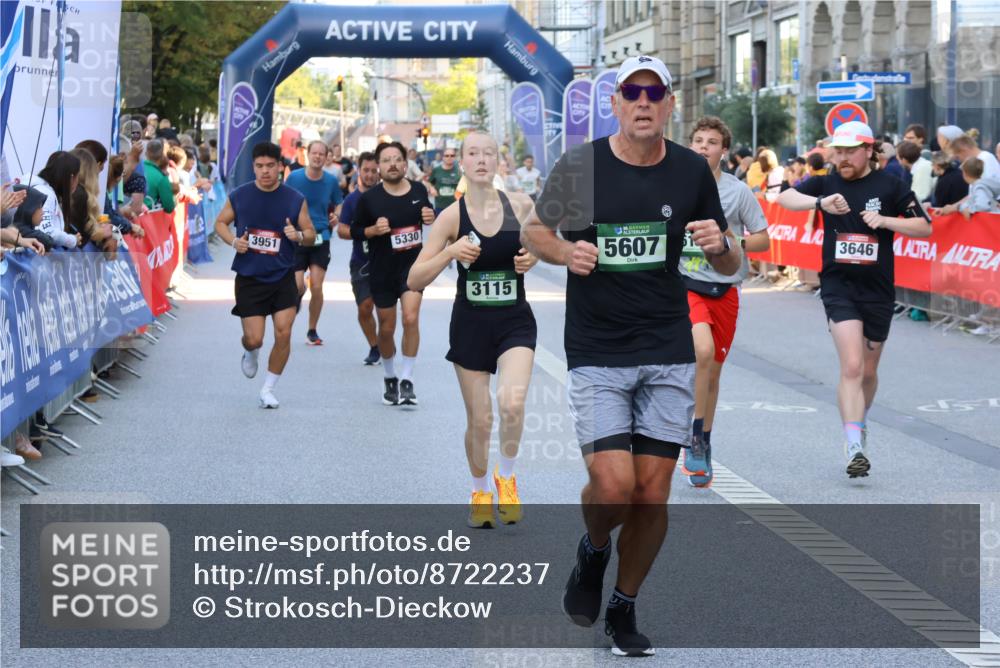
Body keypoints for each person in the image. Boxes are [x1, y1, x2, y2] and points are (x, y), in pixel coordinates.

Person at [521, 55, 740, 657]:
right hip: (597, 347)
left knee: (652, 491)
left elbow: (725, 262)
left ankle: (623, 606)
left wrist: (723, 247)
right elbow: (535, 232)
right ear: (615, 103)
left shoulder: (692, 170)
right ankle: (592, 553)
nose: (643, 102)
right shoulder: (581, 165)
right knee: (613, 486)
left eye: (655, 93)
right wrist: (566, 255)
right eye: (631, 92)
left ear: (670, 105)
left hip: (668, 346)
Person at [775, 121, 932, 479]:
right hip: (838, 286)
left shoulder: (891, 185)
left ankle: (858, 424)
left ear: (868, 151)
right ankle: (853, 445)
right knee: (852, 366)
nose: (842, 158)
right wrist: (819, 202)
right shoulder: (827, 182)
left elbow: (924, 226)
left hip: (877, 289)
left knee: (869, 372)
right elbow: (784, 197)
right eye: (838, 151)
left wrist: (886, 221)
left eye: (849, 151)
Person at [408, 132, 538, 528]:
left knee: (512, 404)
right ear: (461, 163)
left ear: (499, 162)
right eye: (472, 154)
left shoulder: (521, 205)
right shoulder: (451, 216)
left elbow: (551, 248)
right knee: (480, 420)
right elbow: (415, 278)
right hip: (470, 324)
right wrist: (449, 252)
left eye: (488, 153)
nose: (481, 160)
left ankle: (508, 476)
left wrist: (533, 256)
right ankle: (480, 487)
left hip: (514, 319)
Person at [682, 117, 770, 487]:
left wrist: (732, 242)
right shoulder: (674, 187)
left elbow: (764, 240)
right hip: (685, 285)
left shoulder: (737, 192)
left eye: (712, 141)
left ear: (724, 151)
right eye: (698, 140)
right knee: (701, 353)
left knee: (713, 372)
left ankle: (703, 439)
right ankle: (691, 437)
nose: (704, 146)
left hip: (725, 289)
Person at [213, 142, 315, 408]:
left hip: (283, 275)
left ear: (280, 167)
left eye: (271, 166)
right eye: (260, 166)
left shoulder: (294, 199)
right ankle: (250, 349)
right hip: (250, 276)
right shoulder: (240, 195)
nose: (265, 171)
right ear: (253, 167)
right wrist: (234, 242)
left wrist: (299, 236)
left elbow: (311, 234)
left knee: (284, 333)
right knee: (255, 337)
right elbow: (220, 223)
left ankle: (268, 389)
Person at [350, 141, 435, 406]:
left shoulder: (419, 190)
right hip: (381, 270)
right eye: (386, 160)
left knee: (411, 318)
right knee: (386, 330)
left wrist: (430, 217)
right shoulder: (369, 199)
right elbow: (354, 230)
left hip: (412, 268)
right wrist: (373, 231)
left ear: (405, 162)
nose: (393, 164)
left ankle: (407, 379)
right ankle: (390, 376)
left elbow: (430, 217)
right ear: (379, 166)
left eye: (397, 159)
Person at [285, 140, 344, 345]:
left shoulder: (330, 181)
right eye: (314, 153)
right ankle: (298, 297)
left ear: (327, 156)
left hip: (321, 236)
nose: (318, 157)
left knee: (316, 286)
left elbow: (339, 203)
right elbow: (283, 199)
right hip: (298, 236)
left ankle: (312, 329)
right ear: (307, 155)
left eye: (322, 154)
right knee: (298, 285)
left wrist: (336, 215)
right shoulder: (294, 177)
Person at [337, 152, 382, 365]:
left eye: (374, 170)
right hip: (361, 261)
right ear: (359, 170)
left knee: (385, 309)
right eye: (366, 170)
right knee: (365, 307)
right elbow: (342, 230)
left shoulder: (387, 196)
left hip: (386, 261)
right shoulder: (351, 200)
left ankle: (385, 344)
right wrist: (366, 232)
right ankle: (374, 346)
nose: (371, 174)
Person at [21, 151, 81, 249]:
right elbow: (46, 231)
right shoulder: (46, 194)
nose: (78, 182)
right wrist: (72, 240)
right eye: (78, 176)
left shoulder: (44, 191)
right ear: (71, 178)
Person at [143, 140, 175, 213]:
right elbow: (169, 207)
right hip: (149, 218)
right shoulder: (161, 177)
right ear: (162, 155)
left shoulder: (136, 167)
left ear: (146, 153)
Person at [427, 147, 461, 213]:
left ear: (455, 157)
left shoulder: (459, 171)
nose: (449, 157)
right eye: (447, 156)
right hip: (440, 207)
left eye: (452, 155)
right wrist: (431, 188)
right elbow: (429, 182)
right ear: (443, 157)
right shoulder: (436, 170)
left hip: (455, 206)